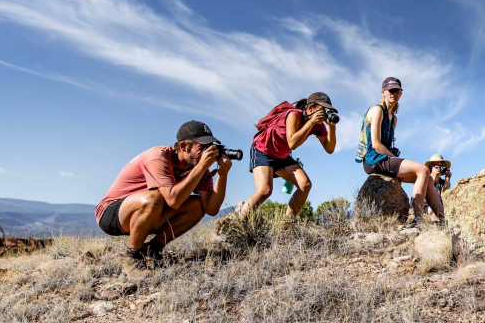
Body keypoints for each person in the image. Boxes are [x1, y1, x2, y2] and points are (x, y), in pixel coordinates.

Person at [96, 120, 231, 279]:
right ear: (183, 147)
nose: (205, 153)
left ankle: (152, 250)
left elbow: (211, 209)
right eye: (200, 148)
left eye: (208, 147)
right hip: (112, 213)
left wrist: (223, 174)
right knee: (154, 198)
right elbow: (172, 200)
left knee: (197, 205)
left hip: (150, 213)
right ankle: (132, 258)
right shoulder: (158, 157)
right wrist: (201, 167)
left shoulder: (198, 166)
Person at [356, 77, 444, 226]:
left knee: (427, 177)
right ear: (383, 91)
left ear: (400, 94)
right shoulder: (377, 110)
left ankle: (443, 219)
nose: (393, 94)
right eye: (390, 90)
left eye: (397, 91)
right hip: (374, 160)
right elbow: (376, 145)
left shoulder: (393, 119)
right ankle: (418, 218)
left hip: (384, 159)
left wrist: (394, 157)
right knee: (422, 169)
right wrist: (396, 159)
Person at [239, 92, 337, 220]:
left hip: (281, 155)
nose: (324, 113)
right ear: (310, 107)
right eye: (322, 109)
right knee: (265, 190)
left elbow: (329, 149)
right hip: (263, 149)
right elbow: (292, 143)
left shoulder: (318, 125)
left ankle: (286, 225)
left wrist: (332, 127)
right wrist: (311, 122)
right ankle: (236, 220)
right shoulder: (294, 115)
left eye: (327, 110)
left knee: (305, 184)